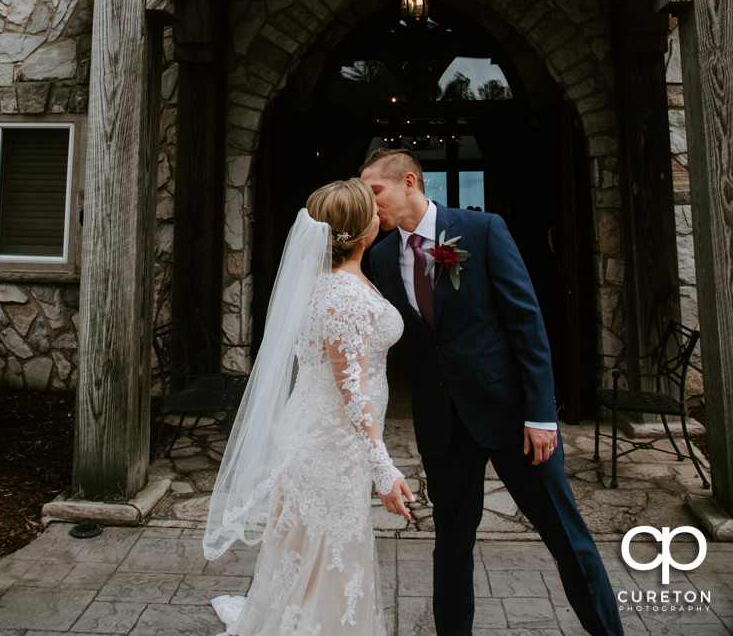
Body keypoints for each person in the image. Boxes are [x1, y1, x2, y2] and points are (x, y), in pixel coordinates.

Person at [362, 147, 624, 636]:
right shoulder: (379, 256)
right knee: (451, 548)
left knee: (567, 538)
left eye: (375, 190)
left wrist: (542, 414)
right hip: (443, 427)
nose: (369, 201)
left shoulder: (481, 231)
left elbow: (526, 324)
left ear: (409, 183)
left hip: (512, 419)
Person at [203, 177, 413, 636]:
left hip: (321, 433)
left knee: (313, 544)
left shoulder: (329, 285)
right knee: (329, 543)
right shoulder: (345, 297)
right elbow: (351, 390)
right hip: (331, 445)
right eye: (372, 211)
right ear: (362, 234)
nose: (381, 213)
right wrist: (385, 470)